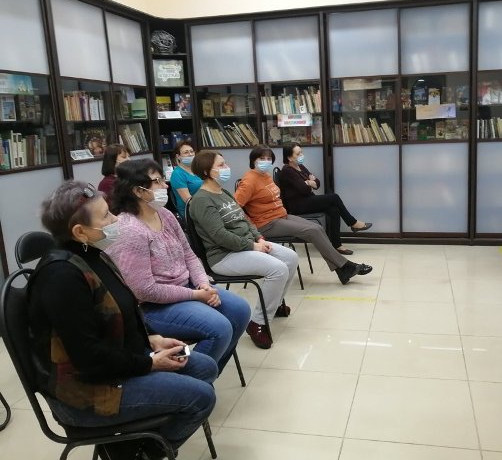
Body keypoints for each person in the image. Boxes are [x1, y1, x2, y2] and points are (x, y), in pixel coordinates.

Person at [28, 180, 216, 458]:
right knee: (202, 398)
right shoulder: (62, 276)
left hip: (120, 359)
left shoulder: (94, 254)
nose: (116, 220)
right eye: (106, 216)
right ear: (80, 231)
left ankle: (130, 443)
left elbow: (124, 308)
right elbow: (88, 357)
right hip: (88, 391)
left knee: (204, 368)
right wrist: (150, 363)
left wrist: (153, 338)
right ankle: (145, 453)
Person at [106, 159, 251, 372]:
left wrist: (203, 284)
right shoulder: (130, 230)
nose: (165, 185)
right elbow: (144, 290)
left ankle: (205, 375)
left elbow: (189, 254)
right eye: (157, 181)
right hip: (153, 306)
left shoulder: (164, 214)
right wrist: (196, 295)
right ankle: (191, 380)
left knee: (240, 310)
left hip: (187, 289)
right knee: (219, 328)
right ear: (138, 191)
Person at [189, 150, 299, 349]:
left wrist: (258, 237)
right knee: (278, 269)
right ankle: (258, 323)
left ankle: (273, 305)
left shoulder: (223, 192)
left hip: (246, 245)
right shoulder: (201, 200)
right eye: (221, 165)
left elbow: (245, 219)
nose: (226, 168)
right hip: (224, 256)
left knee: (290, 257)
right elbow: (219, 235)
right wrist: (253, 246)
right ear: (206, 171)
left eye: (225, 163)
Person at [235, 145, 373, 285]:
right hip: (267, 223)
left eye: (269, 158)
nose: (266, 161)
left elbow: (314, 184)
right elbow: (235, 207)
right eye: (262, 158)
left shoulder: (265, 175)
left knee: (317, 228)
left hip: (281, 216)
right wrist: (251, 226)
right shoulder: (249, 181)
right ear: (253, 160)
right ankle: (345, 267)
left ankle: (342, 270)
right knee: (312, 230)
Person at [279, 142, 372, 255]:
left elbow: (317, 183)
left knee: (334, 210)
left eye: (301, 152)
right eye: (298, 154)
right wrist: (309, 182)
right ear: (289, 157)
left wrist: (309, 182)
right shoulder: (287, 171)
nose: (301, 155)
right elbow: (304, 189)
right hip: (298, 205)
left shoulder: (301, 167)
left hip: (308, 200)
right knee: (334, 197)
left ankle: (337, 245)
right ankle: (353, 223)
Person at [169, 140, 203, 219]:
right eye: (186, 152)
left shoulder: (198, 169)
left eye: (191, 151)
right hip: (191, 212)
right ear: (178, 156)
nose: (190, 154)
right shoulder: (177, 174)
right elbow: (188, 200)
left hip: (205, 206)